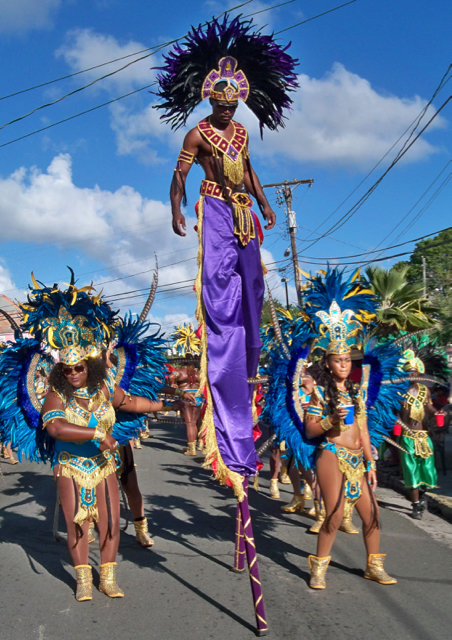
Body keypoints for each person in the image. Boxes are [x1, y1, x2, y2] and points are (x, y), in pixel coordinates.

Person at [155, 15, 298, 497]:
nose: (226, 110)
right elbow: (178, 178)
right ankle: (221, 354)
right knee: (219, 287)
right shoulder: (197, 135)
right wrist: (175, 210)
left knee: (254, 286)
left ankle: (251, 352)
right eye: (220, 103)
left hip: (243, 212)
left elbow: (252, 170)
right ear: (209, 99)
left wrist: (262, 202)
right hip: (214, 208)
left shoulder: (240, 132)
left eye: (232, 103)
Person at [397, 350, 440, 519]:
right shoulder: (398, 393)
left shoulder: (425, 391)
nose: (411, 374)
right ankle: (416, 505)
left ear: (418, 372)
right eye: (408, 371)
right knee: (411, 471)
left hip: (423, 437)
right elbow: (393, 414)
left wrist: (438, 413)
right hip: (407, 437)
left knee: (427, 471)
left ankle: (421, 494)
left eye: (414, 371)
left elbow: (429, 409)